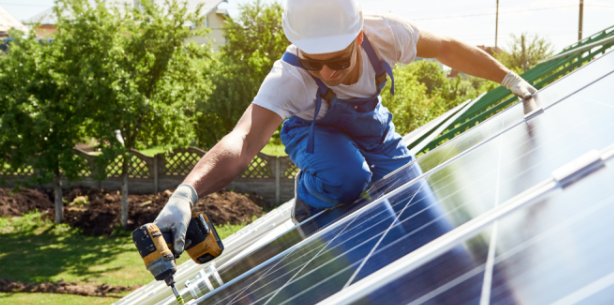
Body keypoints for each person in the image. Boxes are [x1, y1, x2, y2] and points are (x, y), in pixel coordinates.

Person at [153, 0, 537, 255]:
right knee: (350, 176)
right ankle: (309, 201)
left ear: (358, 37)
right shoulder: (287, 77)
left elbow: (447, 48)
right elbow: (244, 139)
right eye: (312, 62)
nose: (324, 72)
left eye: (335, 60)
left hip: (375, 131)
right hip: (315, 134)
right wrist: (185, 195)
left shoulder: (386, 34)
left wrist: (508, 79)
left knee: (433, 236)